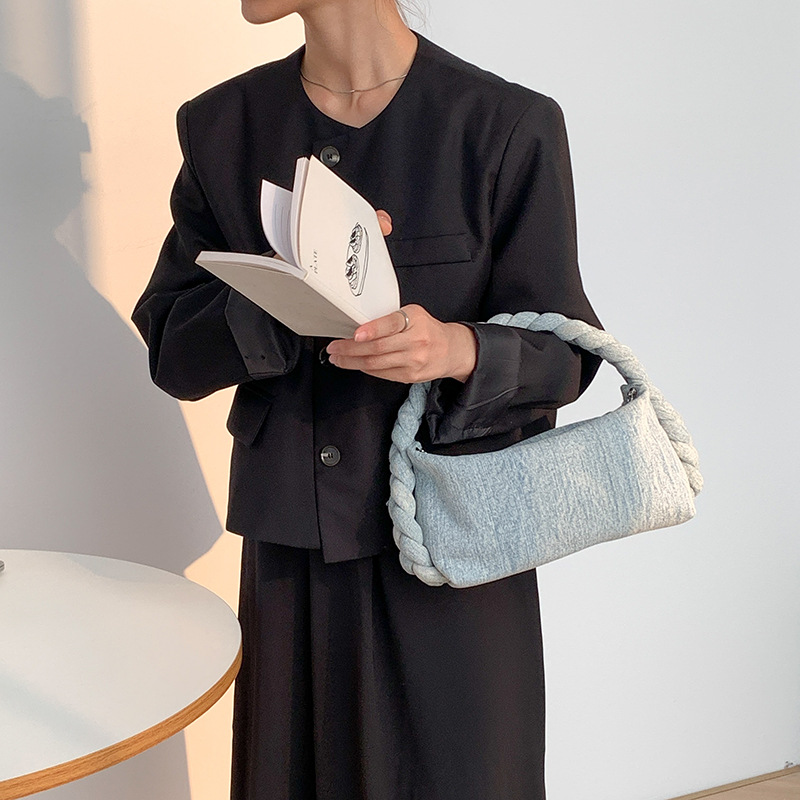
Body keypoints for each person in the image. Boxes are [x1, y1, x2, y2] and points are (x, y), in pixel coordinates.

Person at [132, 0, 603, 797]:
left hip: (456, 555)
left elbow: (567, 355)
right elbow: (173, 352)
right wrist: (280, 299)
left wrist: (457, 349)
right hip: (295, 566)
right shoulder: (223, 127)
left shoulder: (502, 124)